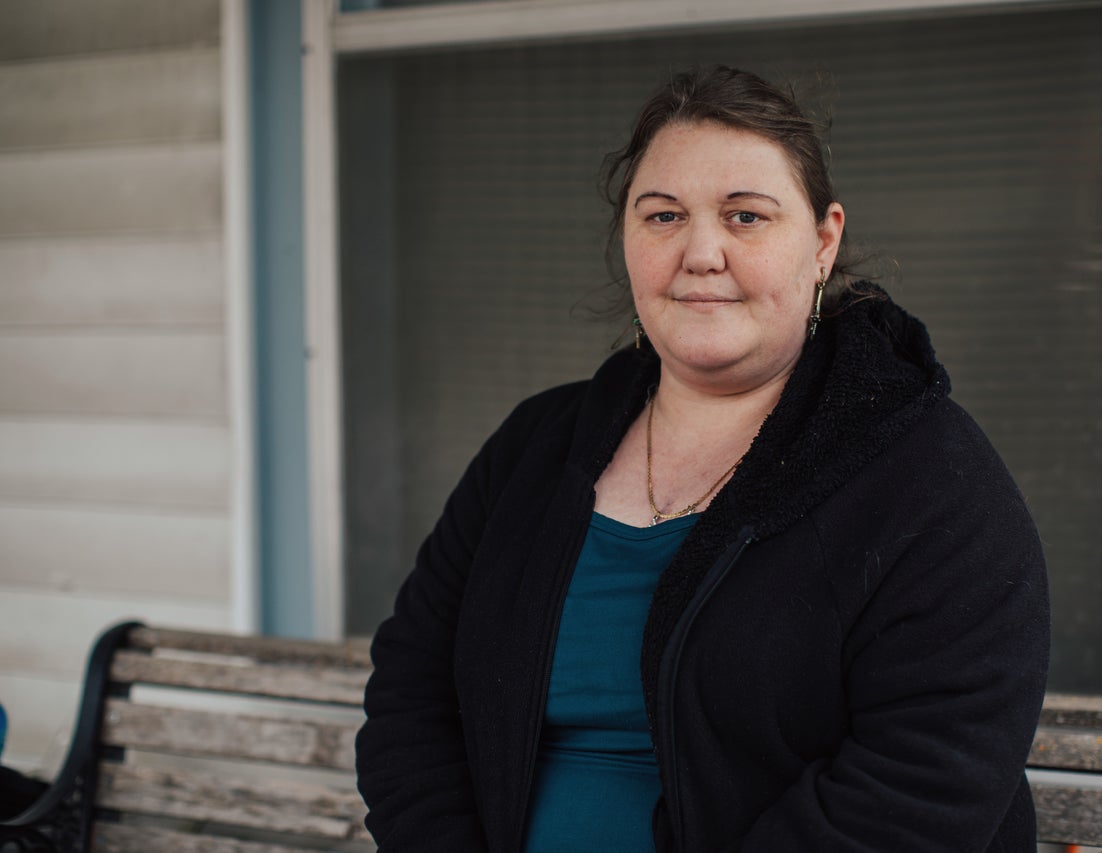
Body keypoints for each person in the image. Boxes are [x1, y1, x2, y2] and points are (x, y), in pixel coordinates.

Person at [356, 65, 1050, 852]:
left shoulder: (926, 472)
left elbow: (926, 776)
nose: (701, 252)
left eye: (746, 216)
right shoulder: (537, 445)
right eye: (663, 216)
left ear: (822, 243)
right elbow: (413, 691)